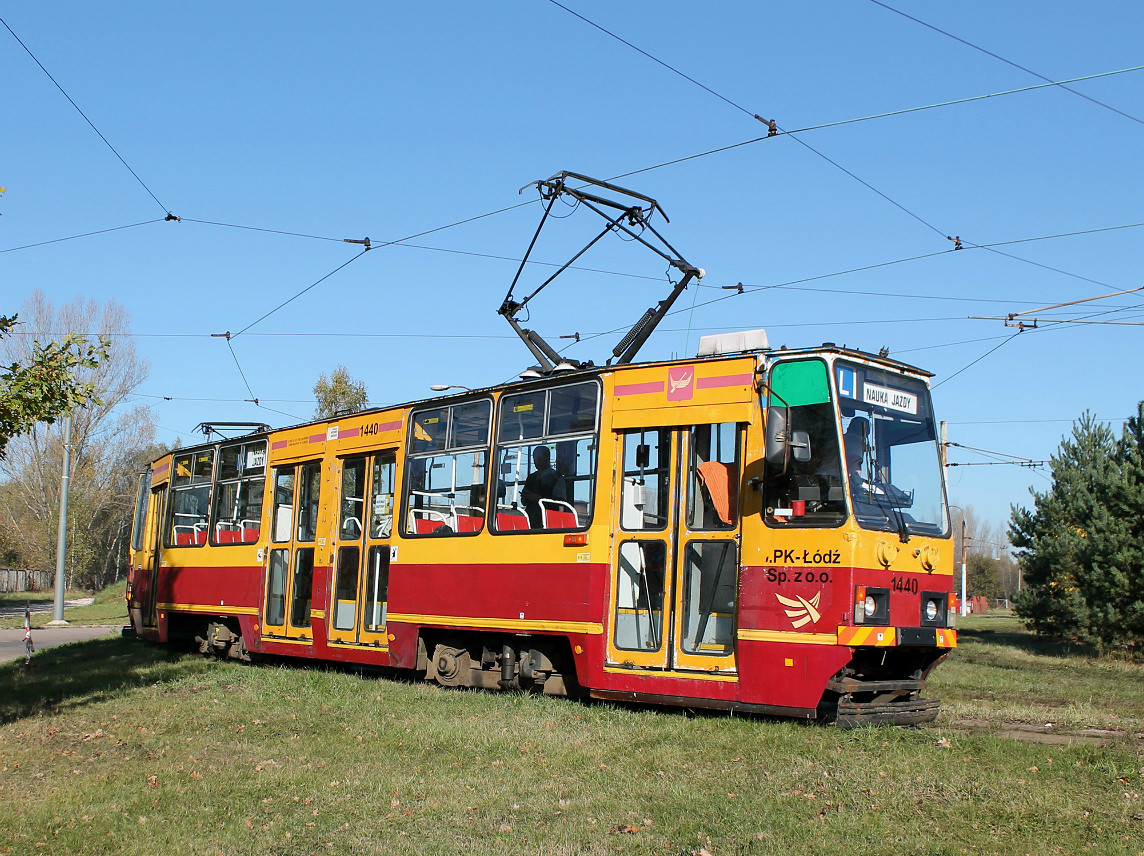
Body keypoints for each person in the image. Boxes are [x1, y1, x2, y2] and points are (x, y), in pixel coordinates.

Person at [521, 445, 564, 528]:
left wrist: (539, 498)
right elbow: (523, 502)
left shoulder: (556, 477)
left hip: (549, 519)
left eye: (538, 458)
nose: (535, 461)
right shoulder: (531, 477)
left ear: (547, 458)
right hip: (530, 520)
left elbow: (560, 502)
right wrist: (525, 497)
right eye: (534, 458)